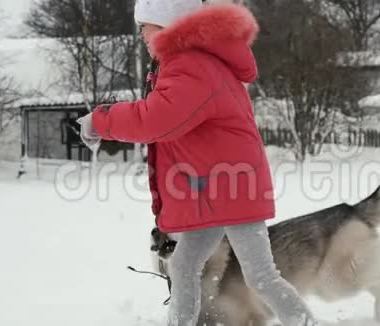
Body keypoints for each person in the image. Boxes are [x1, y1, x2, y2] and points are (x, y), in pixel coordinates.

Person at [77, 1, 318, 325]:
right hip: (216, 191)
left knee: (260, 276)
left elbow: (156, 119)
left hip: (233, 189)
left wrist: (101, 120)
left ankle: (305, 323)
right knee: (183, 265)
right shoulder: (190, 60)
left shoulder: (191, 64)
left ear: (166, 24)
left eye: (145, 25)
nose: (141, 34)